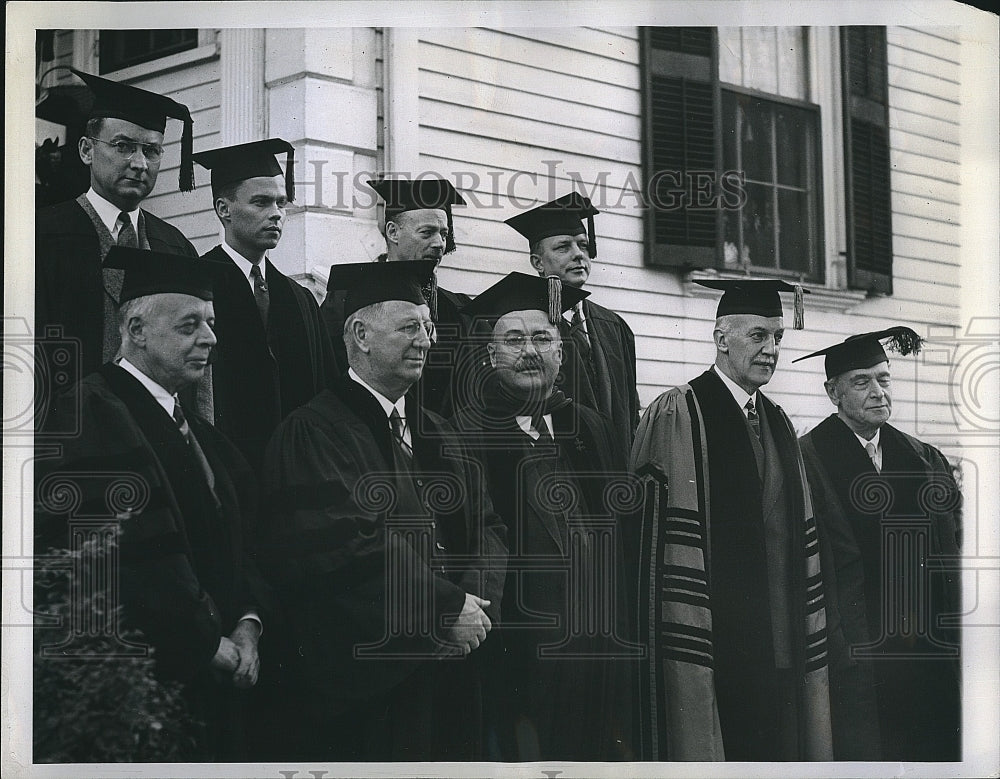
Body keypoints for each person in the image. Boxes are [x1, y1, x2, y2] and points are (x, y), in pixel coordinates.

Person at [262, 260, 507, 761]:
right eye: (409, 326)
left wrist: (472, 608)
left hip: (454, 664)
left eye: (429, 326)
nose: (426, 340)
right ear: (360, 334)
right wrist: (443, 609)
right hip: (370, 676)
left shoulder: (438, 430)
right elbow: (344, 543)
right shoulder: (314, 431)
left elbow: (487, 525)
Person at [35, 247, 268, 760]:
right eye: (189, 325)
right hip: (145, 690)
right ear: (136, 329)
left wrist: (248, 622)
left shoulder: (201, 433)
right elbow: (124, 561)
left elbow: (242, 539)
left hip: (219, 672)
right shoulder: (91, 412)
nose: (210, 337)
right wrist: (209, 645)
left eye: (210, 322)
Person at [628, 279, 833, 761]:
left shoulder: (779, 420)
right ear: (721, 338)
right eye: (758, 335)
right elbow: (651, 542)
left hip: (779, 640)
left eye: (778, 338)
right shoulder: (680, 411)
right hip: (711, 638)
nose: (771, 350)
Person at [454, 272, 635, 761]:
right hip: (519, 645)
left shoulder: (592, 428)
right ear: (490, 357)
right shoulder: (468, 434)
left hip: (597, 642)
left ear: (562, 352)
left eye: (542, 338)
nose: (529, 350)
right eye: (513, 340)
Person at [795, 327, 961, 761]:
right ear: (833, 392)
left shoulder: (922, 458)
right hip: (856, 649)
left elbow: (950, 552)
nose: (877, 392)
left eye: (883, 379)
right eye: (861, 381)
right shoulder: (806, 460)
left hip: (923, 648)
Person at [35, 69, 198, 425]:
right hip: (72, 440)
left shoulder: (175, 246)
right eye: (123, 146)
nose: (139, 163)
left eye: (151, 150)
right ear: (86, 150)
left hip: (162, 441)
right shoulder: (41, 236)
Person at [193, 138, 337, 476]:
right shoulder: (196, 285)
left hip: (296, 477)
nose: (276, 214)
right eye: (261, 202)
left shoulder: (298, 298)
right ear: (223, 209)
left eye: (281, 203)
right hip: (224, 473)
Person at [319, 177, 474, 417]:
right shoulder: (346, 301)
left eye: (444, 234)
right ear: (393, 232)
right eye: (427, 233)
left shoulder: (458, 309)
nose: (439, 244)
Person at [505, 192, 640, 463]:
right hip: (562, 470)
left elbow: (630, 410)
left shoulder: (614, 326)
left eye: (583, 245)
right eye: (563, 247)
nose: (579, 254)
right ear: (537, 263)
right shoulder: (526, 329)